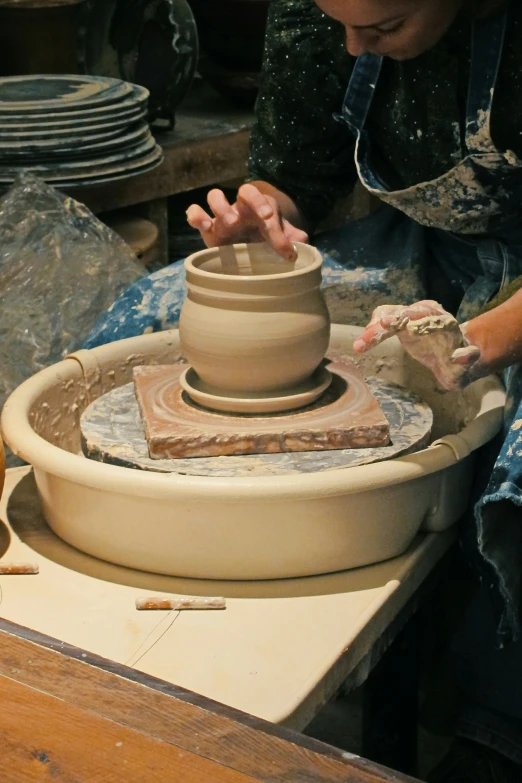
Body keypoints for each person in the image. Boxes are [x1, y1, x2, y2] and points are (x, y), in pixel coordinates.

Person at [84, 1, 522, 780]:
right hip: (423, 244)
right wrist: (264, 217)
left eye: (381, 30)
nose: (351, 45)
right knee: (138, 321)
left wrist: (471, 344)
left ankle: (496, 725)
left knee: (516, 468)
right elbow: (293, 176)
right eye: (338, 21)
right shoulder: (329, 9)